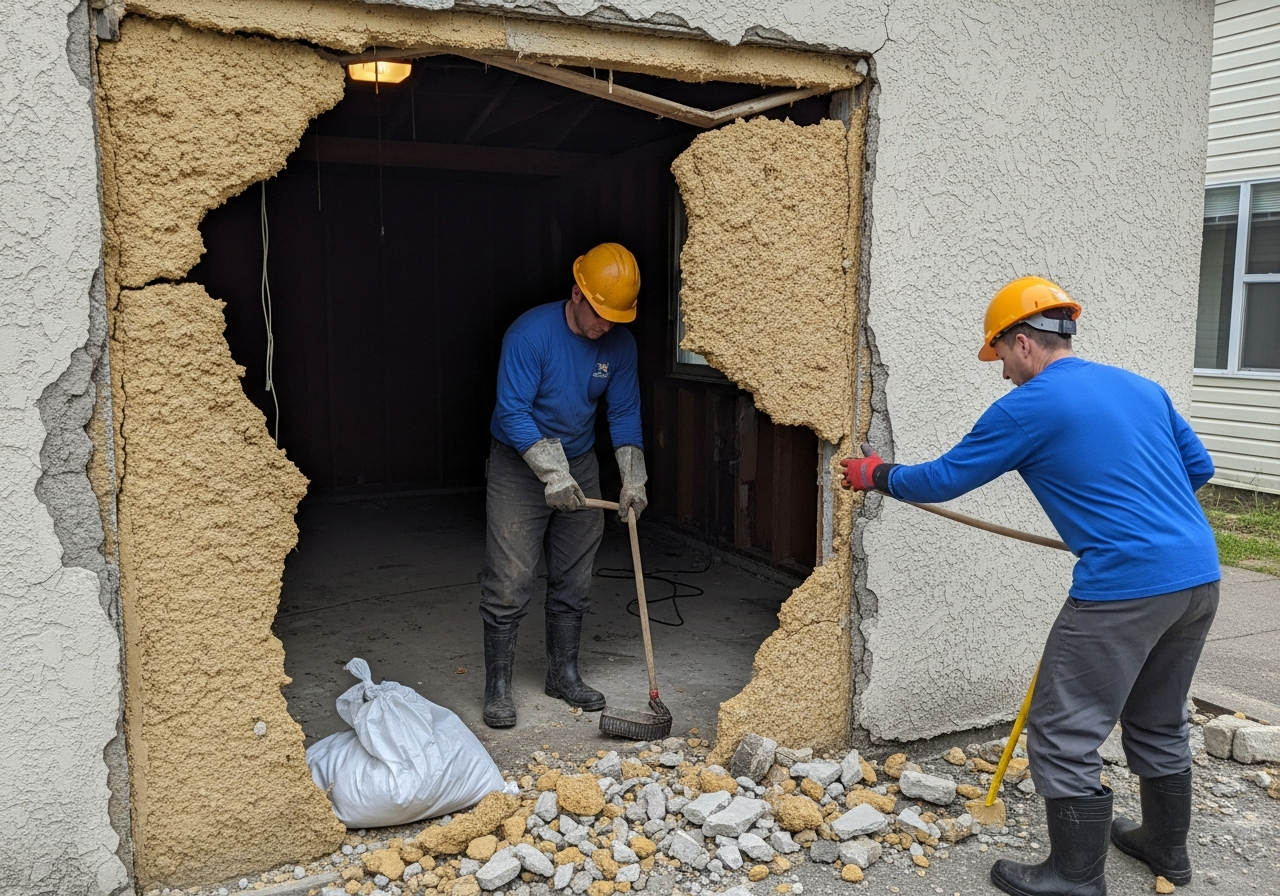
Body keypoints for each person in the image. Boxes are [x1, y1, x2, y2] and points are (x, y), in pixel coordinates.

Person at [840, 277, 1219, 896]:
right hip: (1198, 576)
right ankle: (1165, 852)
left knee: (1063, 727)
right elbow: (1198, 469)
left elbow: (943, 479)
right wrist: (1138, 521)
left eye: (1002, 360)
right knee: (1157, 717)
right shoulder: (1140, 387)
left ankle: (1075, 877)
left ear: (1023, 344)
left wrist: (874, 472)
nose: (1004, 375)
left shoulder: (1032, 403)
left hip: (1123, 587)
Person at [479, 242, 648, 729]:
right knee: (510, 578)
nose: (607, 326)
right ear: (576, 293)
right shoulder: (530, 335)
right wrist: (551, 474)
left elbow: (623, 412)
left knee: (575, 575)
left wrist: (632, 478)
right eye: (599, 313)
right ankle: (498, 687)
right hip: (519, 463)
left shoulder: (619, 344)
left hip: (580, 459)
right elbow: (512, 410)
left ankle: (563, 674)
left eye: (618, 316)